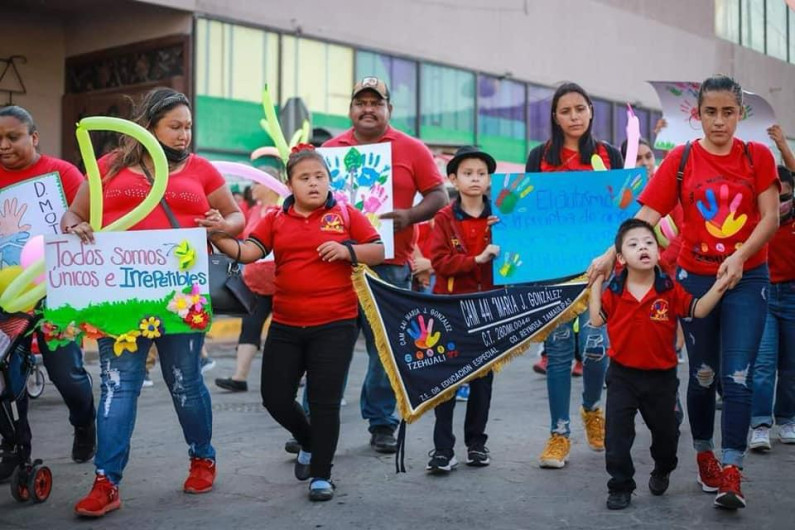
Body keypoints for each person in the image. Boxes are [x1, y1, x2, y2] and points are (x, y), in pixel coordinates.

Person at [589, 75, 779, 510]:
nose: (718, 121)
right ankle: (705, 455)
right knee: (703, 374)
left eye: (727, 112)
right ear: (697, 114)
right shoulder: (682, 158)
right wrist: (608, 256)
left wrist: (741, 256)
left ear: (739, 114)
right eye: (709, 112)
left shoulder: (759, 158)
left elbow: (768, 218)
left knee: (737, 375)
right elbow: (647, 215)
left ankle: (733, 469)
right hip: (694, 278)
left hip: (747, 278)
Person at [64, 88, 244, 517]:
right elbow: (72, 215)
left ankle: (203, 456)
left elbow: (237, 218)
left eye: (188, 127)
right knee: (117, 385)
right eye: (174, 126)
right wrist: (76, 227)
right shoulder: (107, 166)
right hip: (120, 294)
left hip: (181, 294)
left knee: (184, 380)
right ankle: (106, 482)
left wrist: (222, 223)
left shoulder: (202, 169)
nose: (184, 135)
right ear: (147, 126)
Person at [207, 145, 384, 501]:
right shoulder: (274, 218)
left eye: (320, 177)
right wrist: (218, 235)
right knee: (275, 398)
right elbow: (249, 251)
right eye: (305, 178)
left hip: (335, 324)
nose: (314, 184)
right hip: (287, 324)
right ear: (290, 184)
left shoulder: (346, 214)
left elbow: (378, 250)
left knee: (324, 403)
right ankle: (307, 441)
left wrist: (347, 250)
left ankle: (322, 475)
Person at [323, 77, 447, 453]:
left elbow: (439, 195)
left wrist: (410, 216)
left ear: (388, 110)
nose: (368, 109)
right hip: (336, 263)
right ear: (351, 110)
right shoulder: (329, 150)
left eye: (376, 103)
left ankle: (381, 421)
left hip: (391, 264)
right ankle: (315, 422)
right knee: (330, 346)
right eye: (361, 102)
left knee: (384, 348)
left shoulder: (412, 149)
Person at [590, 219, 728, 510]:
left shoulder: (670, 289)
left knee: (667, 437)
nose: (643, 247)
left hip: (662, 380)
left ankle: (662, 469)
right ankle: (620, 485)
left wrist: (722, 284)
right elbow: (596, 319)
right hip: (622, 376)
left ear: (658, 250)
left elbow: (700, 309)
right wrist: (597, 281)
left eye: (648, 242)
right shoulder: (615, 290)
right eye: (634, 244)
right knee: (616, 437)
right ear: (620, 258)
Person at [524, 82, 622, 468]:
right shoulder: (539, 157)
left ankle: (592, 409)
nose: (574, 117)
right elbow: (529, 211)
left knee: (596, 348)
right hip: (552, 272)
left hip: (600, 270)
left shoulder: (608, 155)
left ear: (591, 111)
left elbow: (621, 208)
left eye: (580, 109)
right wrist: (509, 221)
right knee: (559, 352)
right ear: (555, 116)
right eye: (566, 111)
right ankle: (558, 433)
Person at [0, 105, 97, 480]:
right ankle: (16, 446)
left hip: (58, 292)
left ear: (34, 137)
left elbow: (88, 217)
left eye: (13, 137)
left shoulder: (63, 174)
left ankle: (84, 420)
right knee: (9, 374)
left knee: (66, 374)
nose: (5, 146)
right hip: (8, 294)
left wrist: (82, 226)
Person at [424, 146, 499, 473]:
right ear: (452, 178)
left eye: (481, 174)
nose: (475, 179)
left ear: (489, 180)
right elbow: (438, 261)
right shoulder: (443, 218)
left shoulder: (502, 214)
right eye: (467, 173)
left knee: (483, 379)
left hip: (488, 308)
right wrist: (476, 260)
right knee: (447, 379)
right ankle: (443, 449)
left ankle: (476, 444)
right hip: (450, 308)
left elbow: (517, 259)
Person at [216, 174, 282, 392]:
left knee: (285, 332)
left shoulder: (283, 210)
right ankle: (239, 377)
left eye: (256, 183)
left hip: (284, 283)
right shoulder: (253, 211)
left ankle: (293, 374)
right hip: (255, 283)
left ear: (270, 184)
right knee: (250, 327)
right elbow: (240, 237)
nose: (251, 188)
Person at [749, 164, 795, 450]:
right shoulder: (757, 221)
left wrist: (781, 142)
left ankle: (787, 419)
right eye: (773, 197)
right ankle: (760, 424)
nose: (780, 205)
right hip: (763, 296)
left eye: (785, 197)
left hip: (792, 297)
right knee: (764, 364)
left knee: (791, 367)